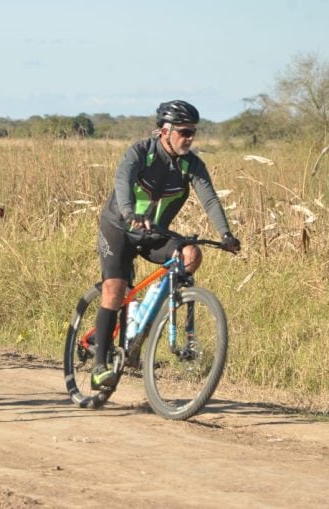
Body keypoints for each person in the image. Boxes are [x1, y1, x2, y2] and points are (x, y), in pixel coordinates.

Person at [90, 100, 241, 389]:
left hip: (153, 232)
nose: (190, 138)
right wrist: (129, 213)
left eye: (193, 132)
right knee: (115, 289)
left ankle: (142, 329)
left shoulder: (191, 164)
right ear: (165, 131)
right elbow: (123, 182)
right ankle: (99, 366)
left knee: (191, 254)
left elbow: (209, 198)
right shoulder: (140, 152)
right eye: (184, 132)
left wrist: (225, 235)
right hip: (120, 227)